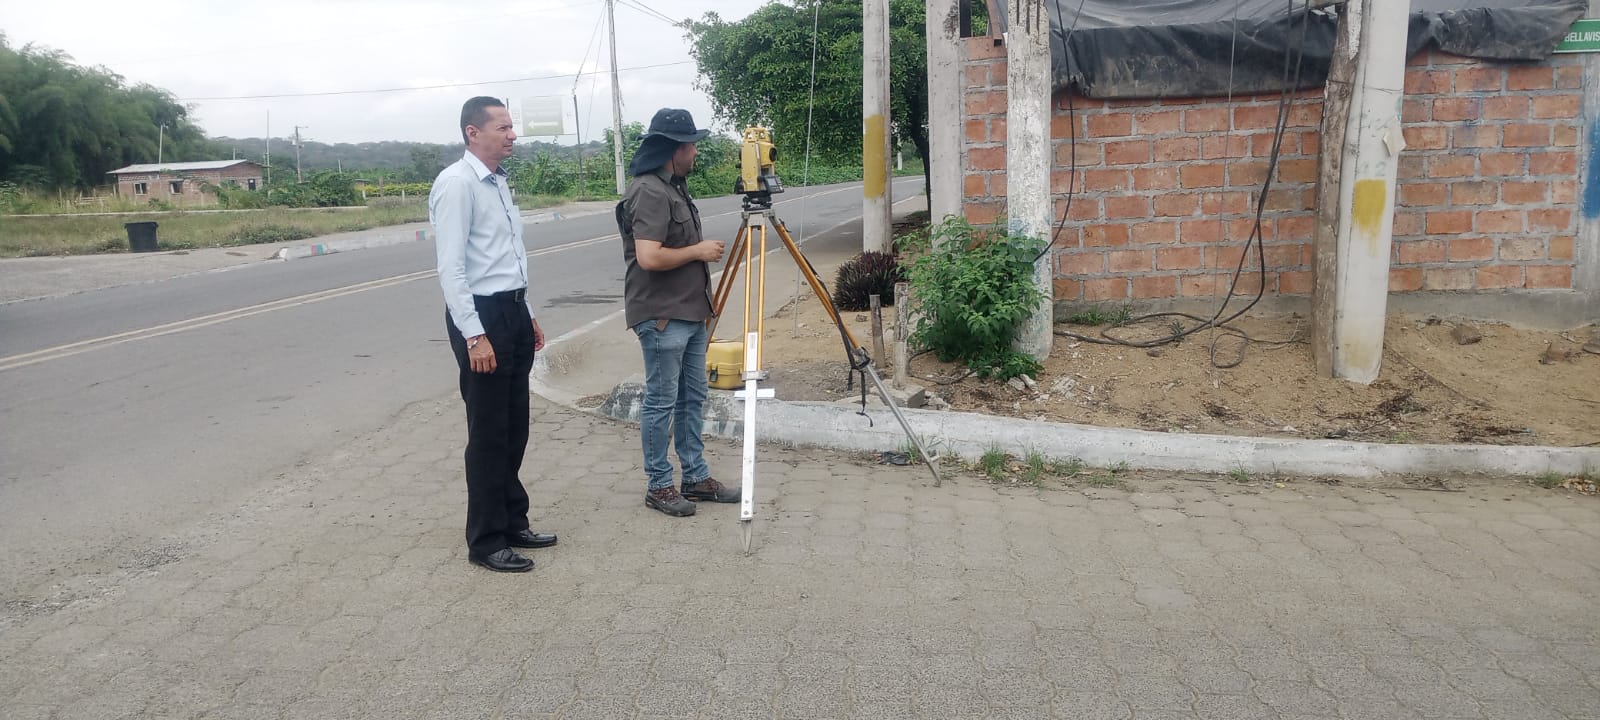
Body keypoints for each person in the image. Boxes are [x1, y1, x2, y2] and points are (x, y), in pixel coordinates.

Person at [431, 96, 556, 572]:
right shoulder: (457, 184)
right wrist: (474, 335)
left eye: (511, 126)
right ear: (472, 132)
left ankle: (512, 520)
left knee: (514, 426)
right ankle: (485, 541)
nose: (512, 135)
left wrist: (528, 313)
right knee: (487, 433)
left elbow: (506, 260)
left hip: (513, 311)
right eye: (502, 127)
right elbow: (452, 270)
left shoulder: (497, 182)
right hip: (482, 318)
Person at [618, 108, 740, 516]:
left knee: (693, 397)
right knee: (661, 401)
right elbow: (649, 257)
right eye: (691, 145)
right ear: (674, 149)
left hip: (689, 311)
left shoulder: (674, 186)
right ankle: (659, 484)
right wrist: (698, 251)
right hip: (662, 315)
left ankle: (695, 477)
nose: (695, 152)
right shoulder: (649, 191)